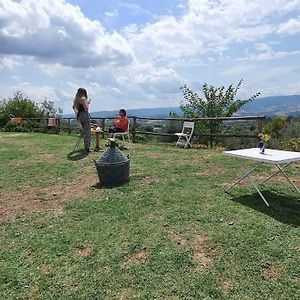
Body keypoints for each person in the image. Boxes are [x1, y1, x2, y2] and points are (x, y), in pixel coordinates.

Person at [72, 88, 91, 152]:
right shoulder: (83, 99)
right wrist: (87, 103)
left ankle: (86, 146)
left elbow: (75, 108)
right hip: (84, 115)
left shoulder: (75, 99)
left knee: (84, 131)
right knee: (87, 132)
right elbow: (86, 109)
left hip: (79, 116)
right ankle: (87, 147)